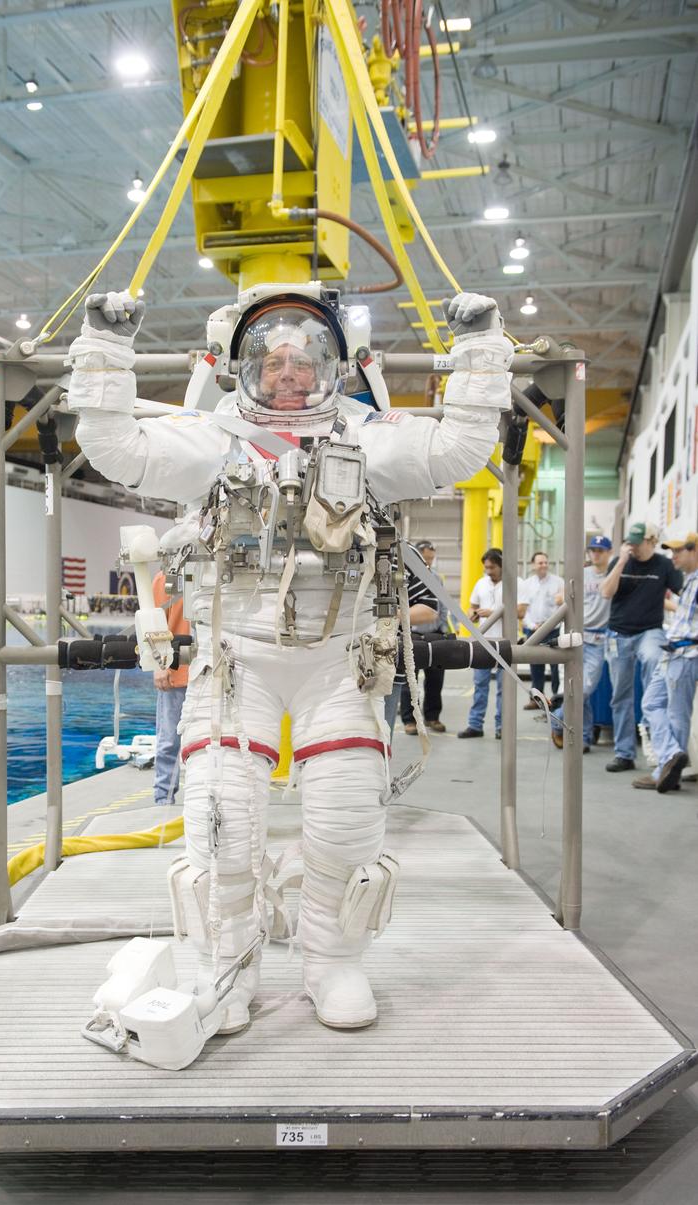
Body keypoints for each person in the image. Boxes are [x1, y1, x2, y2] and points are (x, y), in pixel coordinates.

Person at [68, 284, 513, 1033]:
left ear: (330, 366)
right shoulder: (211, 440)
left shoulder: (367, 437)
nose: (286, 373)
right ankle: (223, 969)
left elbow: (460, 448)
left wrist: (477, 348)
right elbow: (113, 447)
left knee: (344, 822)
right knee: (220, 824)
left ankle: (331, 961)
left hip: (336, 663)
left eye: (302, 360)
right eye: (270, 361)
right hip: (235, 660)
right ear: (242, 365)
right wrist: (106, 346)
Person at [599, 521, 683, 773]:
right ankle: (624, 753)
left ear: (651, 541)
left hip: (650, 630)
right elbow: (606, 592)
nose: (632, 546)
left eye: (637, 542)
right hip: (618, 632)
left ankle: (655, 744)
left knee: (652, 666)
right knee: (620, 696)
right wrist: (622, 561)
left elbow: (683, 591)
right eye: (630, 542)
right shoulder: (620, 562)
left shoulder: (664, 565)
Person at [631, 532, 698, 793]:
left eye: (679, 551)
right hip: (672, 652)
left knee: (676, 715)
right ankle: (671, 756)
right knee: (650, 703)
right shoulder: (689, 581)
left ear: (694, 551)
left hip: (686, 653)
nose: (674, 557)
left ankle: (667, 772)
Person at [550, 535, 612, 753]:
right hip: (575, 637)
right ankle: (584, 738)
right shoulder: (581, 574)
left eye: (600, 550)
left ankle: (557, 720)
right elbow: (559, 598)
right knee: (578, 692)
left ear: (609, 552)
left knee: (584, 691)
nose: (596, 553)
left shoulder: (613, 575)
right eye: (593, 550)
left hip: (598, 640)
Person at [458, 548, 528, 741]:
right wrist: (472, 614)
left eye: (492, 567)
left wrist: (492, 613)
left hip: (507, 643)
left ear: (502, 565)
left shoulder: (516, 583)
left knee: (504, 688)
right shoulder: (481, 583)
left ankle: (502, 727)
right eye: (486, 567)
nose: (489, 571)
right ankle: (475, 725)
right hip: (483, 642)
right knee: (480, 685)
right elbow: (472, 606)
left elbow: (521, 612)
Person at [383, 565, 438, 742]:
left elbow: (430, 609)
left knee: (379, 746)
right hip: (328, 666)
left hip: (385, 669)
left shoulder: (403, 555)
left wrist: (387, 616)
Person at [400, 539, 450, 733]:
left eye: (431, 558)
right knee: (408, 681)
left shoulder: (436, 578)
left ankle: (432, 717)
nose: (428, 562)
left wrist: (442, 628)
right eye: (425, 559)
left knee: (435, 681)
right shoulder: (406, 578)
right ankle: (410, 721)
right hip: (413, 635)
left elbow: (443, 605)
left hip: (436, 636)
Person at [151, 570, 190, 806]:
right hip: (175, 671)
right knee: (169, 741)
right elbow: (154, 624)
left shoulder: (219, 570)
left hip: (212, 670)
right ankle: (163, 798)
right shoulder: (165, 579)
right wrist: (160, 664)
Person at [520, 550, 563, 706]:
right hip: (533, 630)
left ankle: (556, 700)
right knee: (536, 666)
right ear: (533, 565)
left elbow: (563, 607)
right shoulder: (527, 584)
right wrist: (532, 625)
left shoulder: (558, 582)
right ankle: (536, 700)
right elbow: (524, 610)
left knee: (556, 666)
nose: (544, 565)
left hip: (553, 630)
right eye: (540, 562)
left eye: (546, 562)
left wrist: (550, 624)